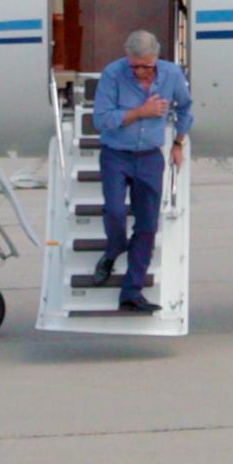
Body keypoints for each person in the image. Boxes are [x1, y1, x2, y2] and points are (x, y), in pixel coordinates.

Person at [82, 29, 192, 314]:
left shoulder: (171, 74)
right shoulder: (113, 74)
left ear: (156, 59)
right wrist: (140, 112)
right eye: (135, 66)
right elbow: (102, 120)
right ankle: (114, 248)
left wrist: (178, 142)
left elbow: (186, 108)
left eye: (147, 66)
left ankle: (131, 292)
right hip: (116, 155)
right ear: (127, 59)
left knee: (146, 226)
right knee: (116, 212)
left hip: (149, 157)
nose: (141, 72)